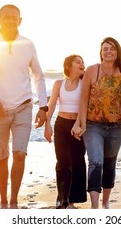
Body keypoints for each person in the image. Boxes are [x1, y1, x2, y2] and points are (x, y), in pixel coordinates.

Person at [0, 4, 48, 209]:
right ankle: (3, 201)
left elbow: (38, 76)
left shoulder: (28, 44)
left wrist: (43, 107)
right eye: (7, 17)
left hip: (23, 106)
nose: (11, 21)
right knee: (1, 157)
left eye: (15, 18)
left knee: (20, 153)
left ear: (20, 21)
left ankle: (13, 201)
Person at [72, 37, 121, 209]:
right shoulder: (93, 71)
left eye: (112, 48)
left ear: (118, 52)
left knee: (109, 163)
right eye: (105, 49)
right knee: (95, 161)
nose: (108, 52)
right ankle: (95, 206)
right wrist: (81, 123)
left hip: (117, 127)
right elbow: (83, 98)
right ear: (101, 52)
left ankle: (106, 203)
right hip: (93, 125)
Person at [44, 54, 87, 209]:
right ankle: (63, 199)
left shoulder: (84, 83)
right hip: (61, 125)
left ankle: (72, 199)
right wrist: (47, 124)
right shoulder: (58, 84)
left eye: (83, 62)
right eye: (78, 62)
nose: (82, 64)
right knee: (62, 161)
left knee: (77, 161)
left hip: (78, 125)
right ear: (68, 66)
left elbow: (85, 107)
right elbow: (52, 104)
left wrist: (78, 124)